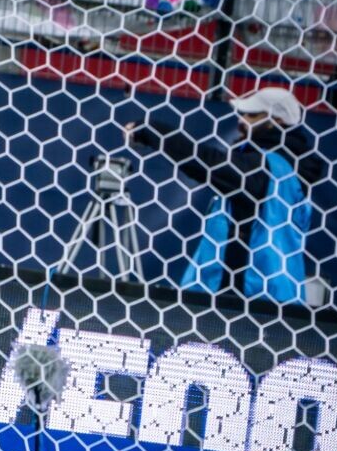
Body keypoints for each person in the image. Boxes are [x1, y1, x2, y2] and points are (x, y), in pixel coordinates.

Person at [126, 87, 324, 305]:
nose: (242, 120)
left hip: (250, 300)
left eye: (251, 114)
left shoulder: (264, 169)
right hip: (275, 297)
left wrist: (151, 130)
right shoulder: (287, 172)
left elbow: (204, 162)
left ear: (275, 121)